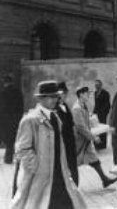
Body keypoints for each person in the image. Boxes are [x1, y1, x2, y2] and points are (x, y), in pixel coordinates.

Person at [11, 80, 86, 209]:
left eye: (55, 96)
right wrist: (36, 166)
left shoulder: (56, 118)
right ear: (40, 99)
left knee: (70, 203)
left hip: (59, 174)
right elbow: (22, 149)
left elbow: (60, 146)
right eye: (49, 97)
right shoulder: (30, 120)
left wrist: (65, 168)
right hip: (40, 178)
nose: (54, 100)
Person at [72, 86, 117, 188]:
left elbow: (85, 123)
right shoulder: (77, 108)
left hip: (85, 140)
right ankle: (68, 184)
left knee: (94, 159)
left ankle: (104, 179)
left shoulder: (83, 106)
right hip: (80, 141)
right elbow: (80, 127)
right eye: (87, 93)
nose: (89, 95)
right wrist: (93, 137)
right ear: (80, 94)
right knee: (73, 163)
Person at [57, 81, 79, 185]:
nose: (63, 96)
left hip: (70, 141)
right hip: (62, 141)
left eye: (65, 93)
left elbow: (71, 122)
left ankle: (75, 185)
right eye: (61, 94)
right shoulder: (55, 108)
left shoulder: (65, 105)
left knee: (72, 164)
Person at [0, 74, 23, 164]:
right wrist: (18, 119)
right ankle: (8, 159)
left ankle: (7, 159)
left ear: (4, 83)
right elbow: (21, 108)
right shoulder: (18, 93)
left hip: (2, 121)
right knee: (10, 141)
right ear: (12, 82)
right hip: (14, 121)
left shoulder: (2, 93)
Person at [93, 79, 111, 150]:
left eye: (98, 84)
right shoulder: (95, 93)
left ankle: (103, 145)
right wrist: (93, 112)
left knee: (103, 129)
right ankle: (97, 145)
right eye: (95, 85)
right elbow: (96, 104)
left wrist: (102, 112)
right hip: (96, 114)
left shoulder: (106, 93)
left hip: (103, 114)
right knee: (96, 129)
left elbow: (108, 105)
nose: (96, 86)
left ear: (101, 85)